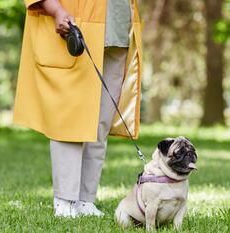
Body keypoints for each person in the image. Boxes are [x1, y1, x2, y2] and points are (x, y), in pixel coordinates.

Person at [13, 0, 143, 217]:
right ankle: (64, 200)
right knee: (70, 119)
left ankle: (85, 200)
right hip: (75, 26)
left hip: (119, 29)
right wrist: (56, 10)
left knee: (100, 121)